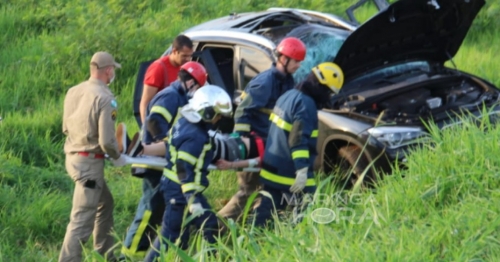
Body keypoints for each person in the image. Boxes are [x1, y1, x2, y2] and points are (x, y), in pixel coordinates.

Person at [118, 61, 207, 260]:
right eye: (199, 87)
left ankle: (146, 253)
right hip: (153, 162)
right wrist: (166, 142)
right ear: (191, 83)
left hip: (162, 161)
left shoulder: (180, 95)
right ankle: (128, 256)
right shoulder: (172, 95)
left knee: (159, 211)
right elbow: (153, 121)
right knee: (149, 210)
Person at [218, 36, 307, 222]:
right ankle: (213, 228)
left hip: (271, 147)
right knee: (247, 193)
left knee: (267, 192)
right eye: (296, 61)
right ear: (283, 58)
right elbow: (243, 110)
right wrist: (243, 140)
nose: (299, 65)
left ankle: (254, 228)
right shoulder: (265, 82)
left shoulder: (288, 82)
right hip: (255, 145)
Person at [144, 85, 233, 262]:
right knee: (170, 234)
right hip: (181, 190)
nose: (218, 119)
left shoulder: (185, 122)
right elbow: (184, 168)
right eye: (217, 115)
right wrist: (192, 199)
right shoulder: (195, 136)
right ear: (207, 112)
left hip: (178, 188)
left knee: (198, 229)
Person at [252, 62, 344, 228]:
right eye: (328, 91)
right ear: (320, 86)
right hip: (290, 172)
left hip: (272, 165)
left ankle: (250, 239)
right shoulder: (305, 104)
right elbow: (298, 139)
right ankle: (297, 243)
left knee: (267, 210)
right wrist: (301, 171)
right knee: (306, 210)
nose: (328, 97)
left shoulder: (289, 95)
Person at [59, 51, 131, 262]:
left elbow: (65, 127)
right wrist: (118, 157)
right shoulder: (106, 98)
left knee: (105, 203)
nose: (112, 74)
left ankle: (107, 255)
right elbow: (107, 141)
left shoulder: (73, 91)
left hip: (73, 157)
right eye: (112, 71)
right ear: (108, 71)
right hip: (89, 165)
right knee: (81, 220)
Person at [139, 34, 194, 124]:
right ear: (174, 51)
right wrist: (147, 129)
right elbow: (145, 102)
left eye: (189, 56)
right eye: (184, 56)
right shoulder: (158, 68)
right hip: (160, 122)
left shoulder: (184, 67)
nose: (188, 59)